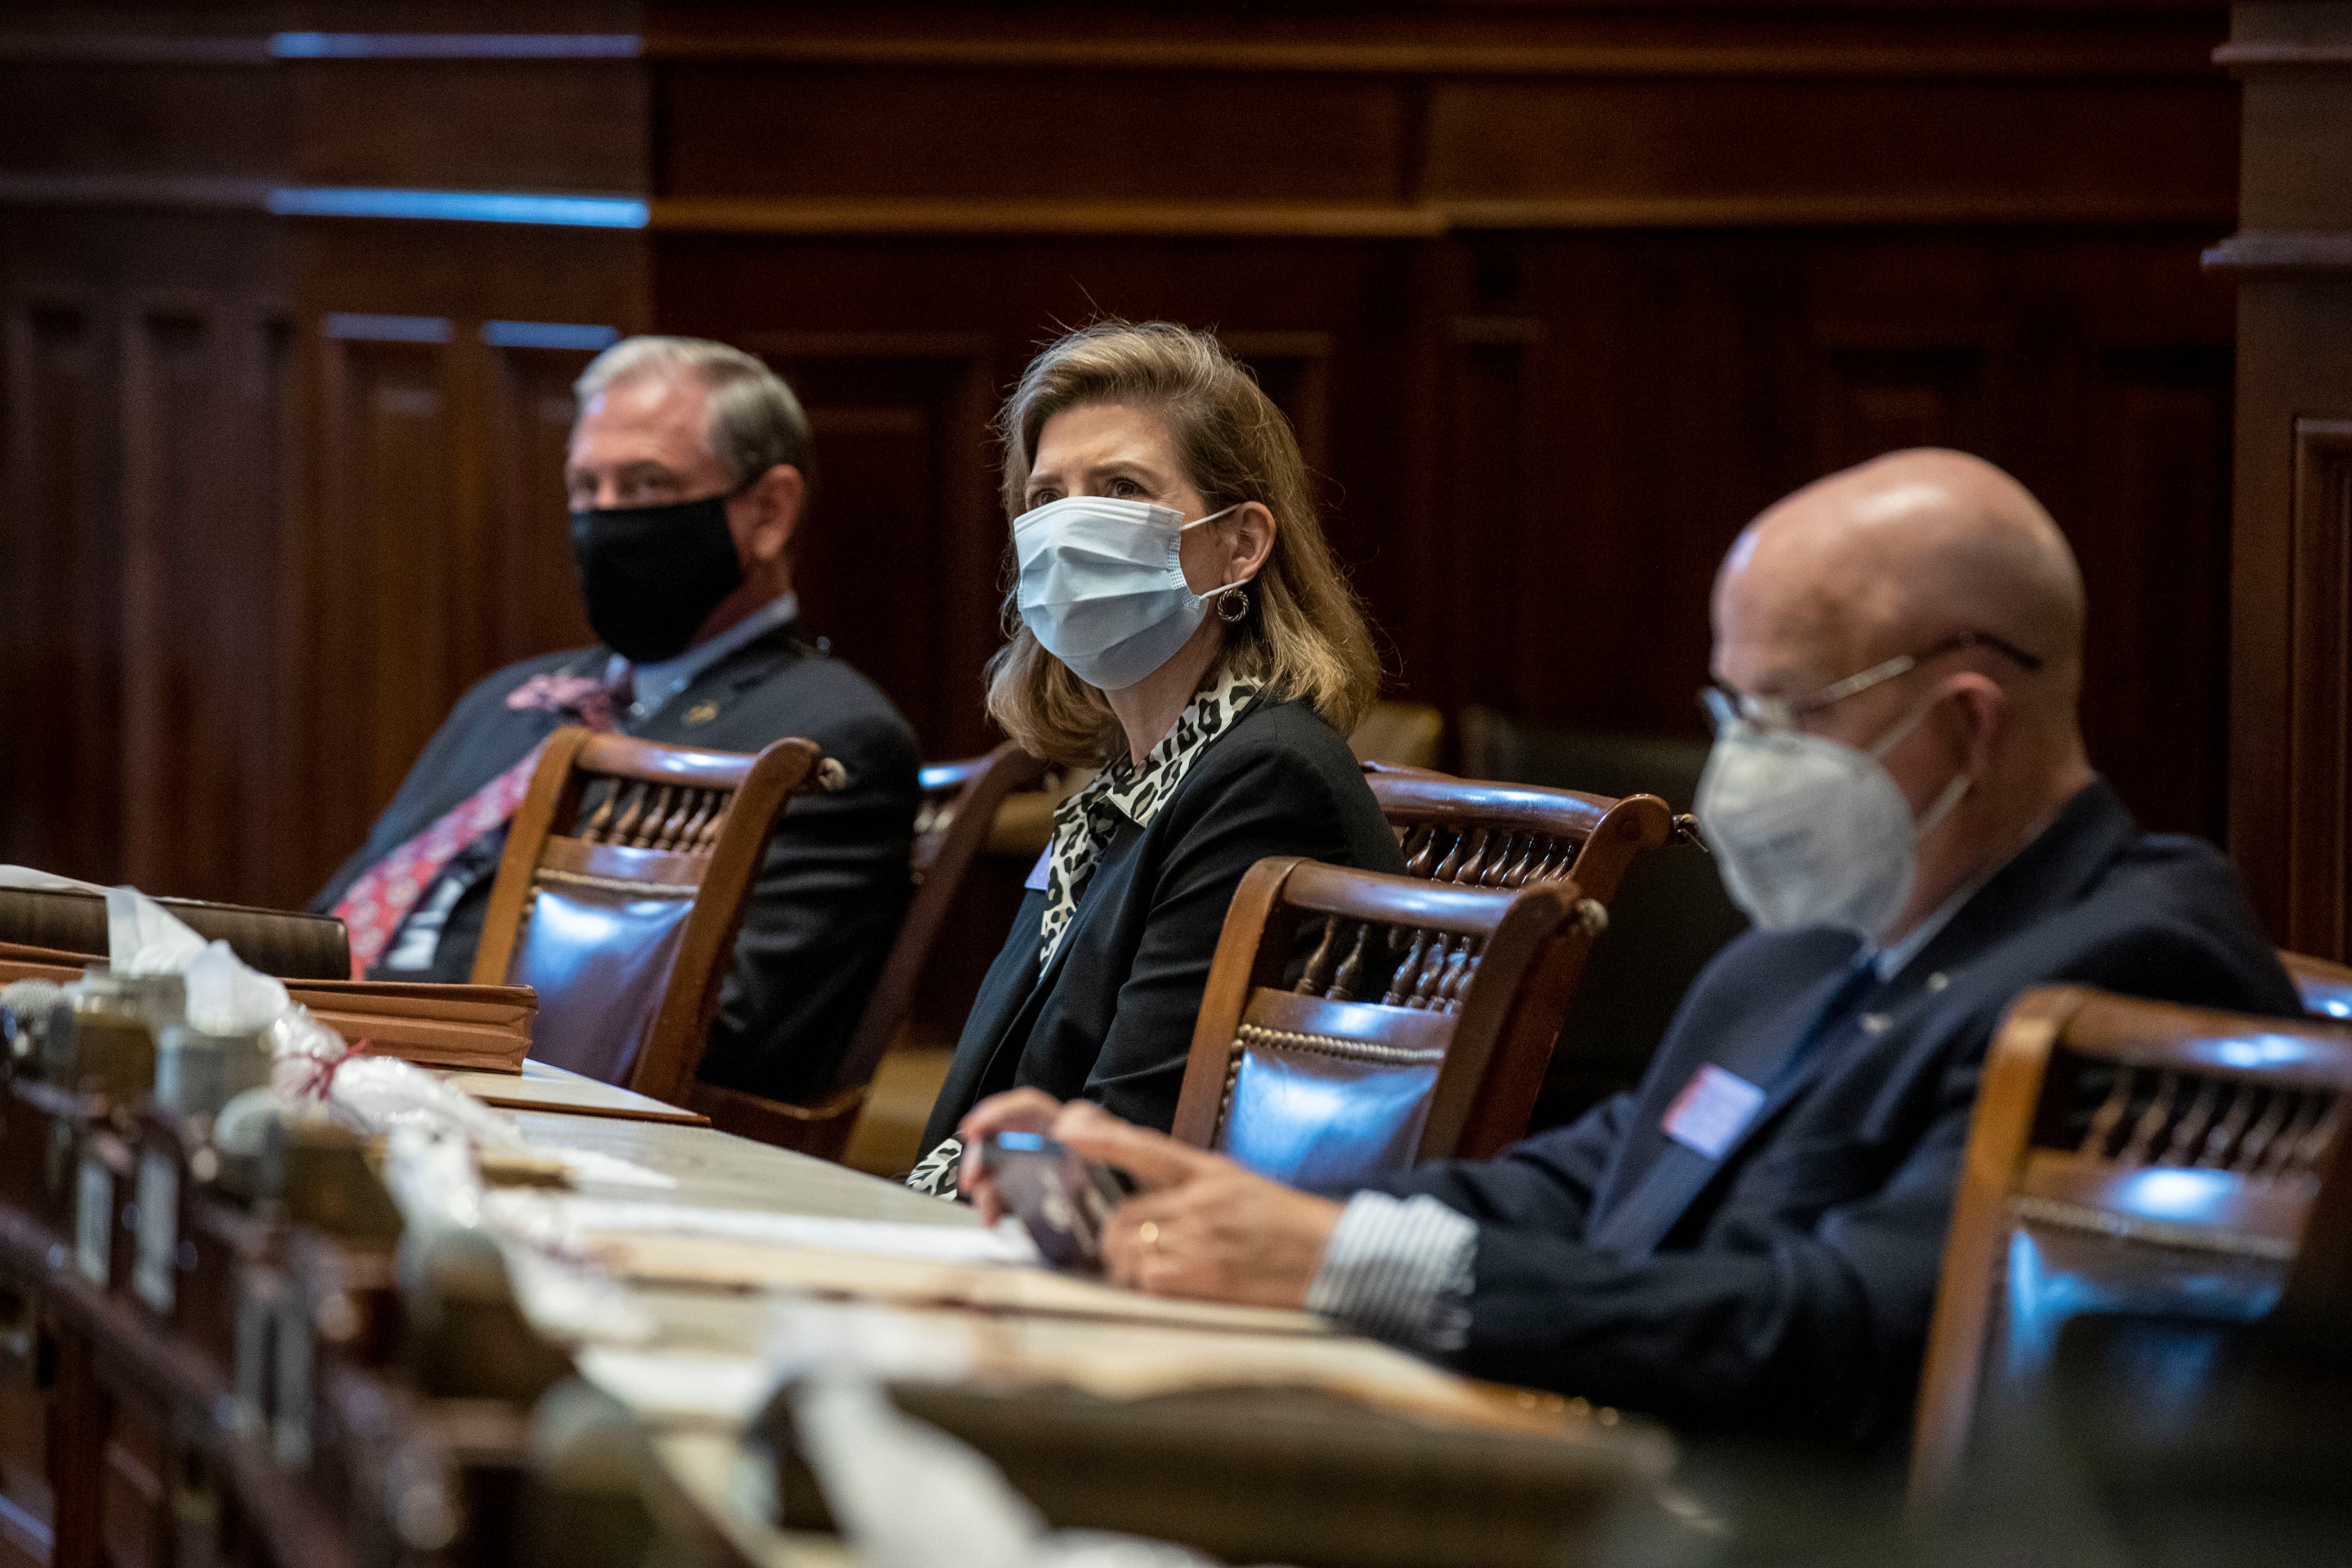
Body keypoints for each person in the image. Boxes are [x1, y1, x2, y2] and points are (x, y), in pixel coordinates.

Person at [956, 448, 2303, 1442]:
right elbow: (1576, 1187)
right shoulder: (1797, 957)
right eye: (1732, 705)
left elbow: (1845, 1327)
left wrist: (1342, 1267)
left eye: (1780, 711)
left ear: (1969, 722)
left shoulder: (2139, 964)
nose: (1738, 769)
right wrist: (1227, 1211)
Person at [311, 337, 919, 1102]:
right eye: (585, 488)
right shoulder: (516, 695)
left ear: (768, 512)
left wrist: (392, 1026)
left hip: (513, 1114)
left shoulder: (829, 734)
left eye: (643, 486)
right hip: (334, 1066)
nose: (604, 521)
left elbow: (729, 1032)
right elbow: (339, 915)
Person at [907, 321, 1403, 1195]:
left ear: (1240, 545)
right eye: (1047, 498)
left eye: (1121, 488)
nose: (1068, 529)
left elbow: (1131, 1137)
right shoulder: (1131, 781)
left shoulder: (1266, 780)